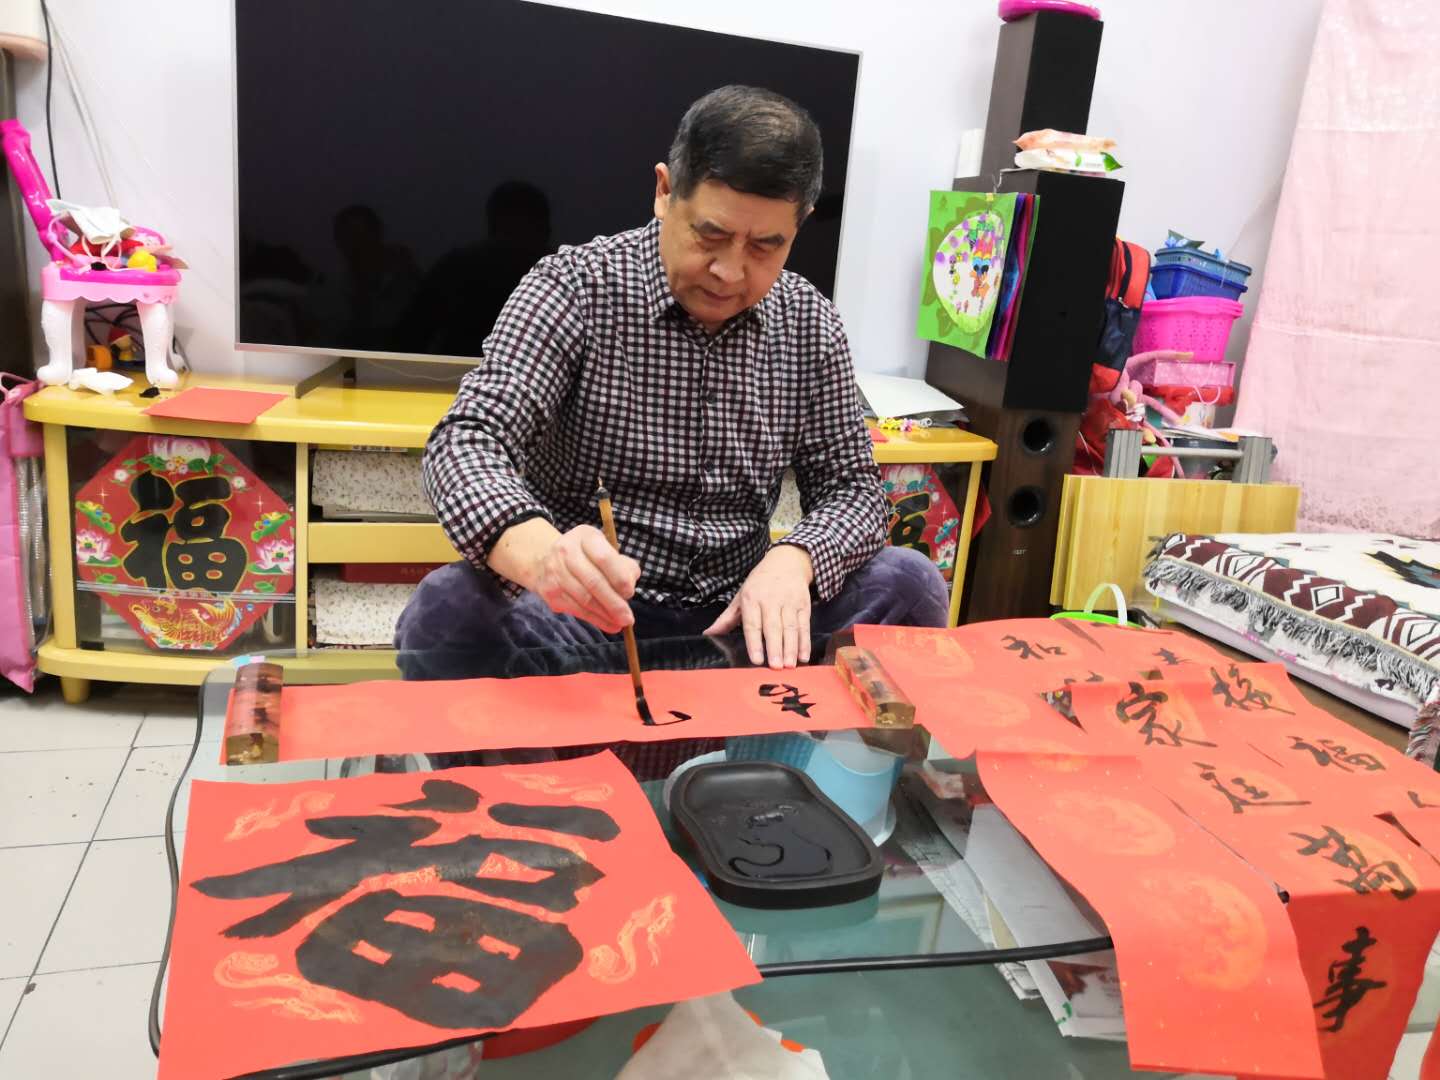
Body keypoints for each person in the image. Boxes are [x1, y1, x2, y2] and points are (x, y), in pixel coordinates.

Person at [397, 85, 947, 675]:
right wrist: (542, 555)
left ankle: (775, 734)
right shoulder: (575, 287)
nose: (729, 272)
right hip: (590, 621)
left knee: (911, 583)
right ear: (664, 192)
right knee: (447, 611)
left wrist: (795, 559)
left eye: (766, 246)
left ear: (800, 225)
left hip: (743, 620)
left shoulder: (809, 321)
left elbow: (852, 489)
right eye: (711, 235)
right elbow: (467, 438)